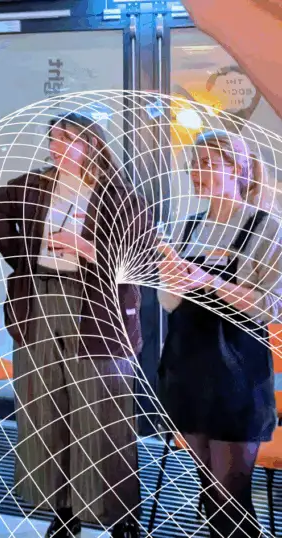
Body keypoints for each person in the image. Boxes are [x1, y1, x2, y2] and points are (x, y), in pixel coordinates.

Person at [0, 112, 154, 538]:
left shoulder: (117, 193)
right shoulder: (36, 183)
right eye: (53, 139)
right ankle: (62, 513)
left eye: (65, 139)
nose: (55, 147)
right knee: (46, 409)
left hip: (96, 307)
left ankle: (120, 515)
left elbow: (141, 258)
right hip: (39, 299)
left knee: (102, 411)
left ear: (90, 143)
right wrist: (22, 257)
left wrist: (86, 248)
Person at [157, 129, 282, 537]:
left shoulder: (266, 227)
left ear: (238, 169)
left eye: (209, 163)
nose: (198, 171)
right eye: (195, 164)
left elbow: (271, 307)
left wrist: (207, 280)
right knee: (211, 496)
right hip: (186, 371)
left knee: (232, 500)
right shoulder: (189, 227)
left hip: (237, 379)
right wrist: (170, 279)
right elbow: (169, 304)